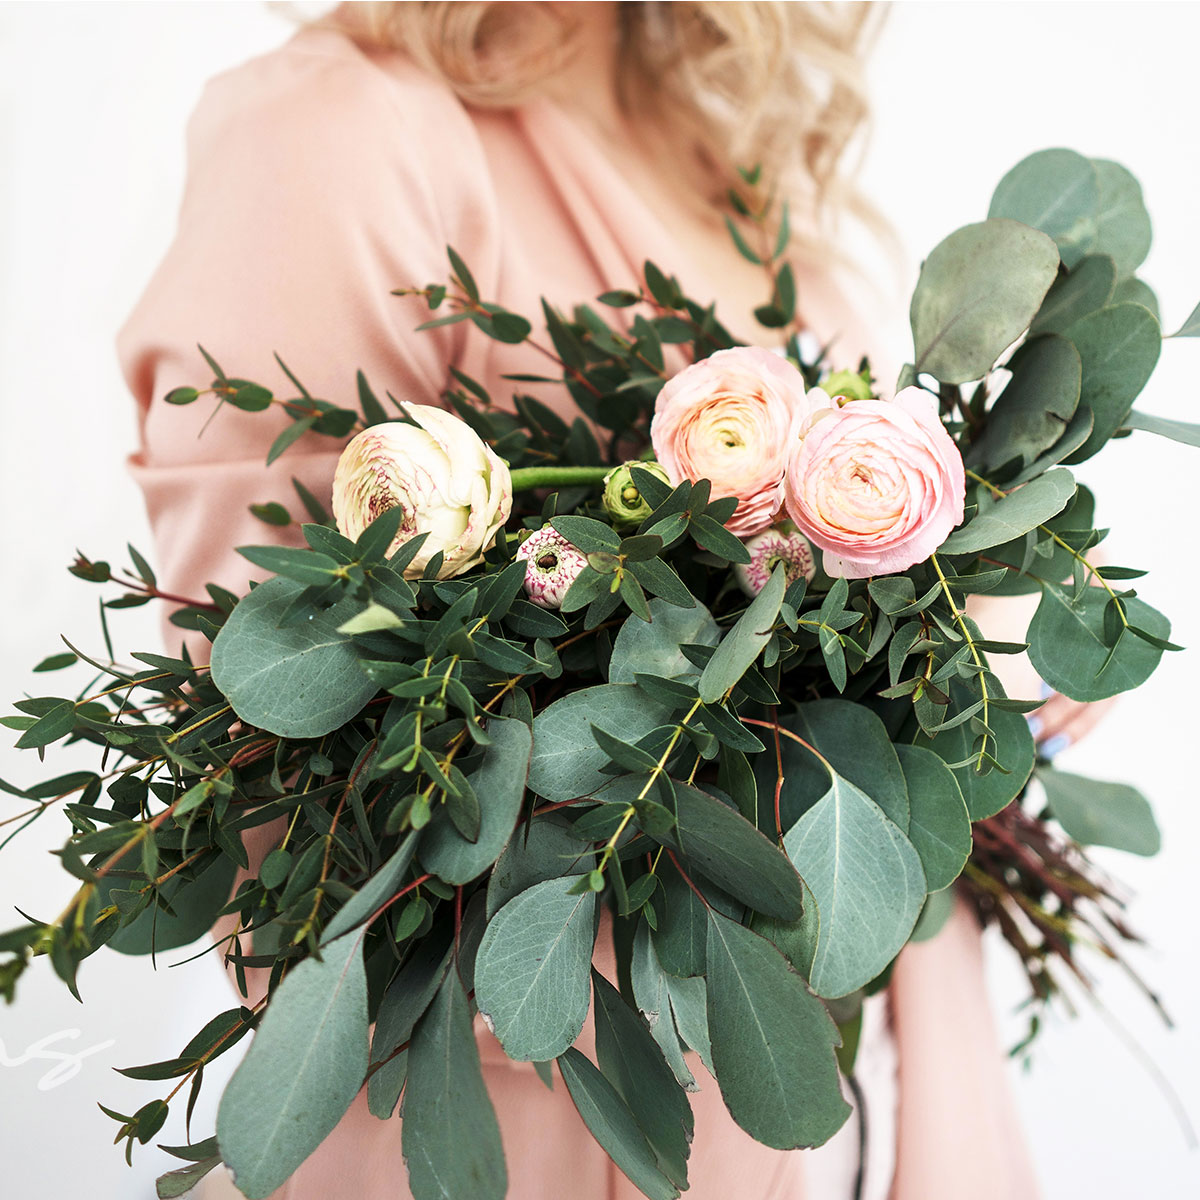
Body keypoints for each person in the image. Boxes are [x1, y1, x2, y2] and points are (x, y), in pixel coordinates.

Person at [116, 3, 1091, 1196]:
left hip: (850, 1114)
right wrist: (793, 789)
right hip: (547, 1143)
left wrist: (983, 661)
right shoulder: (337, 133)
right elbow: (285, 800)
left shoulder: (719, 147)